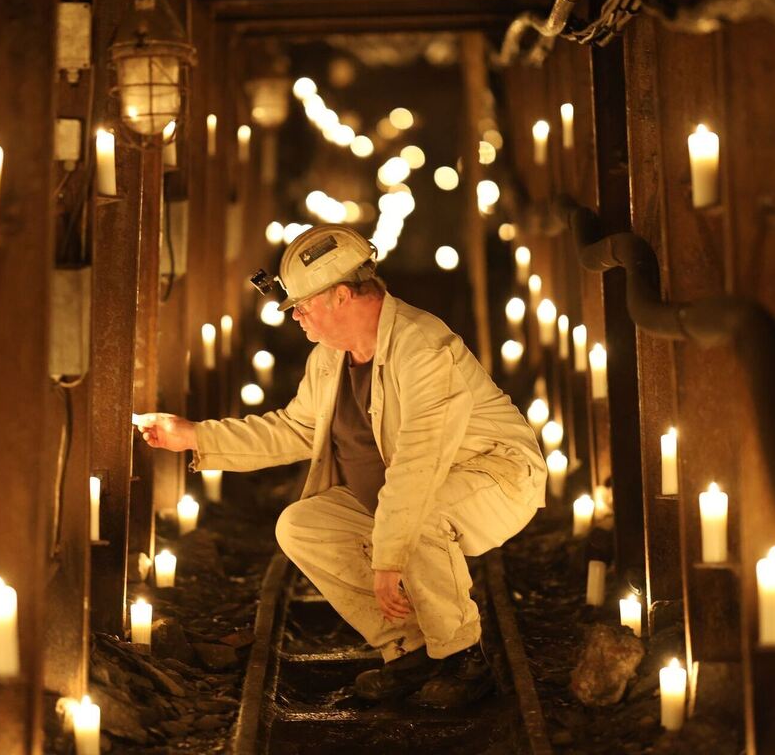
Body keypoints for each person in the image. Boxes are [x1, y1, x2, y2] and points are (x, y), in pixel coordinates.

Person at [137, 225, 545, 708]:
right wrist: (194, 435)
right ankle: (411, 648)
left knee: (421, 516)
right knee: (302, 524)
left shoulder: (424, 350)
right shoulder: (331, 359)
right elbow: (295, 429)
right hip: (407, 489)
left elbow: (420, 465)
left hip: (496, 475)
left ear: (342, 296)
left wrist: (388, 559)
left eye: (304, 307)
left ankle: (463, 658)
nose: (299, 320)